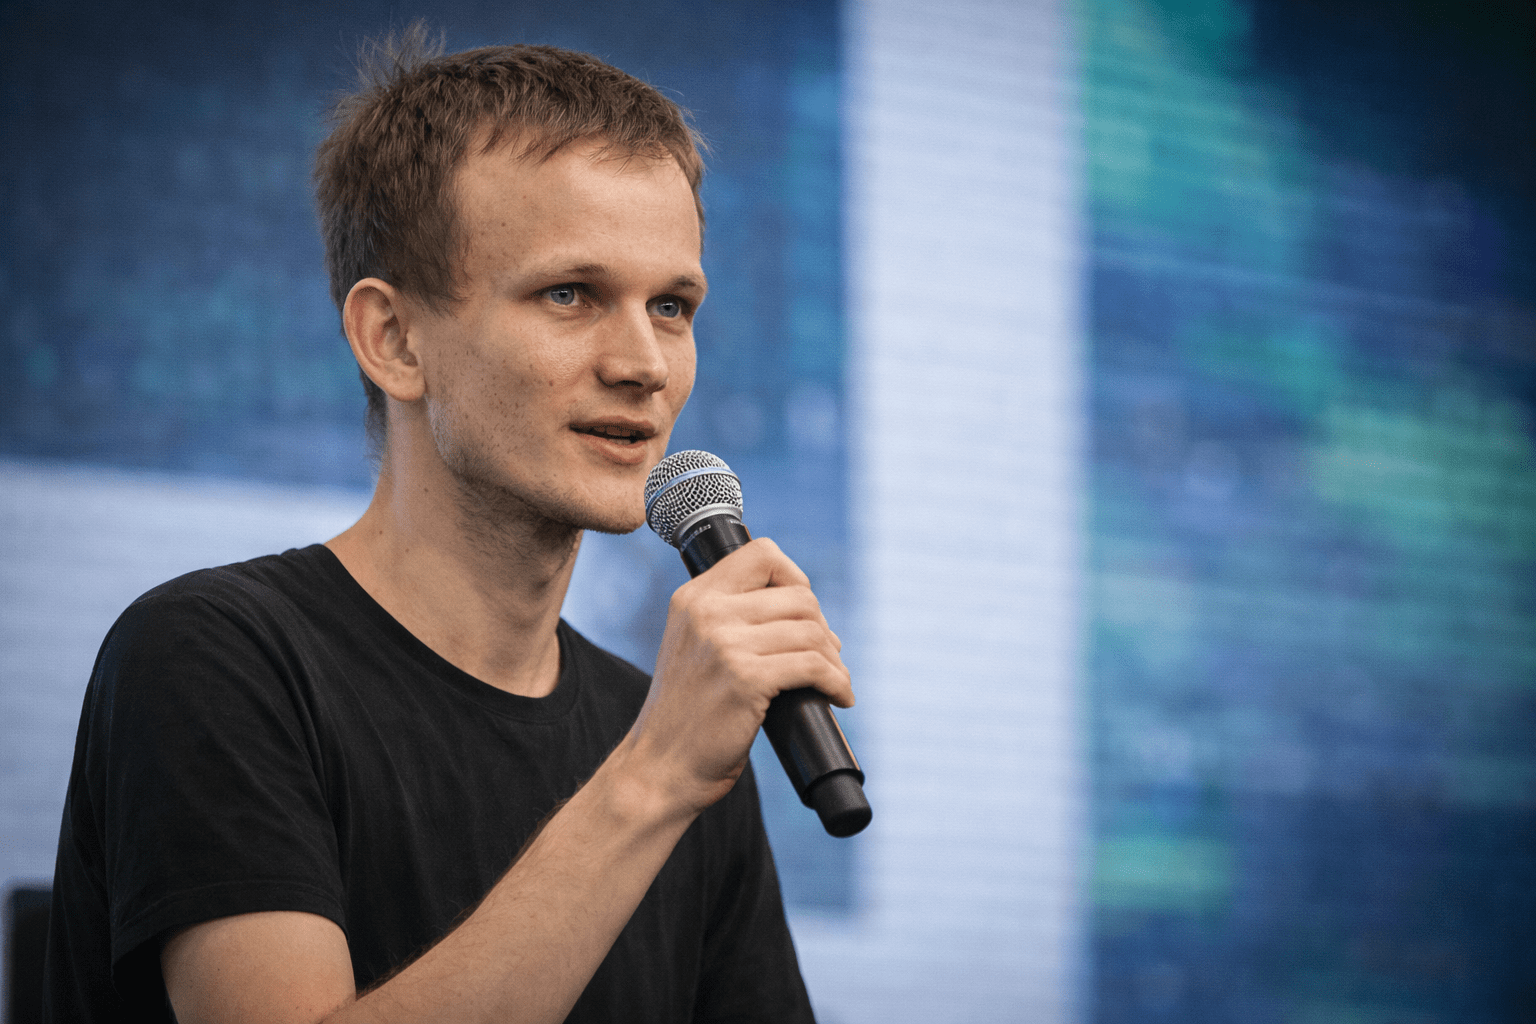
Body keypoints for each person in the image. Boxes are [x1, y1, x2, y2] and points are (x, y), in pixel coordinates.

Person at [43, 29, 853, 1024]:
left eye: (673, 306)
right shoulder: (212, 657)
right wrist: (652, 779)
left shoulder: (669, 735)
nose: (644, 363)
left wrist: (667, 764)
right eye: (570, 294)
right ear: (394, 339)